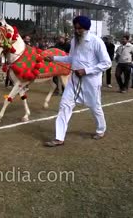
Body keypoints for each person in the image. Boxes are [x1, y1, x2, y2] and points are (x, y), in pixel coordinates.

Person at [43, 16, 111, 147]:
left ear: (86, 28)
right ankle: (59, 138)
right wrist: (54, 58)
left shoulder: (96, 41)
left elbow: (106, 63)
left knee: (95, 106)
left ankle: (101, 130)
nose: (77, 30)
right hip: (74, 80)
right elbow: (71, 58)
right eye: (75, 27)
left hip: (91, 81)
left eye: (79, 28)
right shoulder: (74, 41)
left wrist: (86, 70)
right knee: (64, 105)